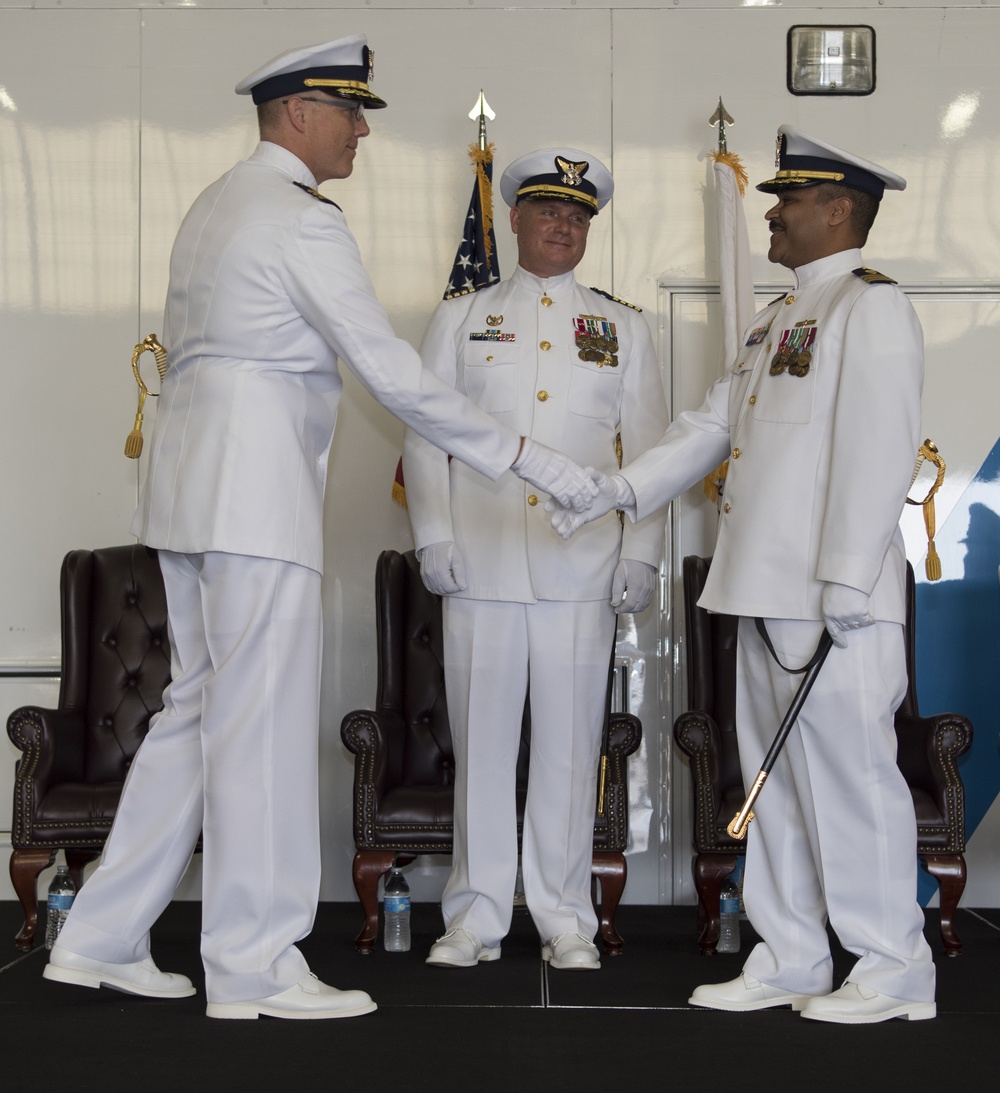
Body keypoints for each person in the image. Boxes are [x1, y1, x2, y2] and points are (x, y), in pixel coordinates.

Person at [42, 36, 598, 1021]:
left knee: (195, 711)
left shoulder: (215, 202)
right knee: (250, 722)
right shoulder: (301, 221)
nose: (362, 129)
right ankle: (254, 964)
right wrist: (530, 457)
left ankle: (100, 936)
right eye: (350, 111)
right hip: (253, 499)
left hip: (186, 495)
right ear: (298, 112)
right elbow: (389, 370)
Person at [549, 126, 936, 1022]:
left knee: (850, 780)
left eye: (788, 199)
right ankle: (793, 953)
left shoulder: (868, 307)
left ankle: (892, 967)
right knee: (777, 782)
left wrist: (845, 576)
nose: (772, 211)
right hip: (765, 589)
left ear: (838, 209)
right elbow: (705, 429)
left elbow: (881, 450)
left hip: (832, 598)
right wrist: (612, 488)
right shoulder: (779, 317)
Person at [403, 149, 669, 970]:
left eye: (580, 214)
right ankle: (475, 916)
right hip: (480, 560)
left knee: (568, 746)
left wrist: (645, 551)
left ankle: (566, 919)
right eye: (549, 210)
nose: (565, 224)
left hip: (581, 567)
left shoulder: (624, 326)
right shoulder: (461, 315)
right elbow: (424, 431)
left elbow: (654, 449)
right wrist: (434, 534)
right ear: (512, 217)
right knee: (481, 747)